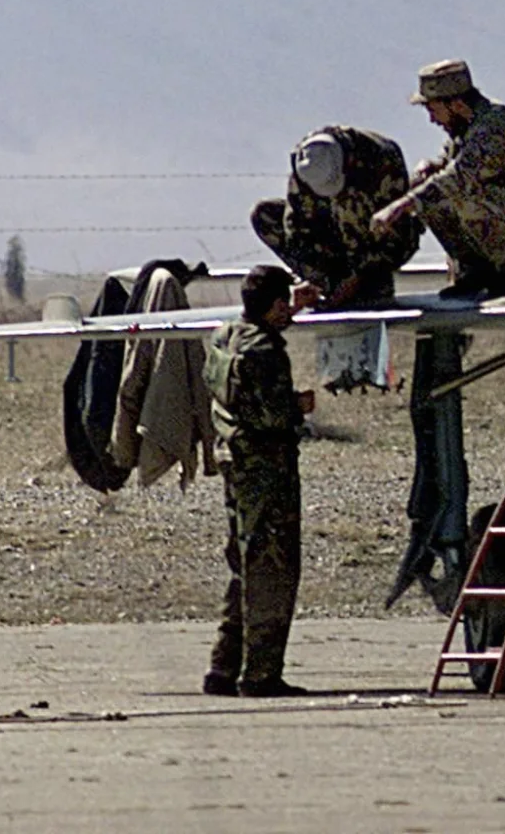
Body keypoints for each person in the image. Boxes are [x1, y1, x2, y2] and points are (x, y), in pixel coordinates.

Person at [372, 59, 505, 300]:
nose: (432, 120)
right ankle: (477, 271)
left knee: (456, 194)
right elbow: (448, 165)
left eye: (433, 110)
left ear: (455, 104)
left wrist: (399, 207)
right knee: (431, 193)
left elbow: (457, 178)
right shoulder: (466, 128)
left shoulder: (494, 127)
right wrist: (430, 168)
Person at [202, 266, 314, 698]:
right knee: (272, 569)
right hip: (267, 467)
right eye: (284, 303)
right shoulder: (266, 351)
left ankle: (223, 667)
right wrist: (296, 406)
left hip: (235, 461)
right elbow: (271, 414)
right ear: (272, 305)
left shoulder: (225, 335)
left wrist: (292, 305)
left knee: (243, 565)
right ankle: (261, 674)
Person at [250, 126, 419, 308]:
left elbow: (399, 233)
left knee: (354, 214)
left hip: (373, 244)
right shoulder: (306, 164)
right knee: (265, 215)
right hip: (333, 243)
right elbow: (297, 228)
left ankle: (369, 285)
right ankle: (329, 285)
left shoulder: (382, 158)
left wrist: (358, 277)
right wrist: (313, 277)